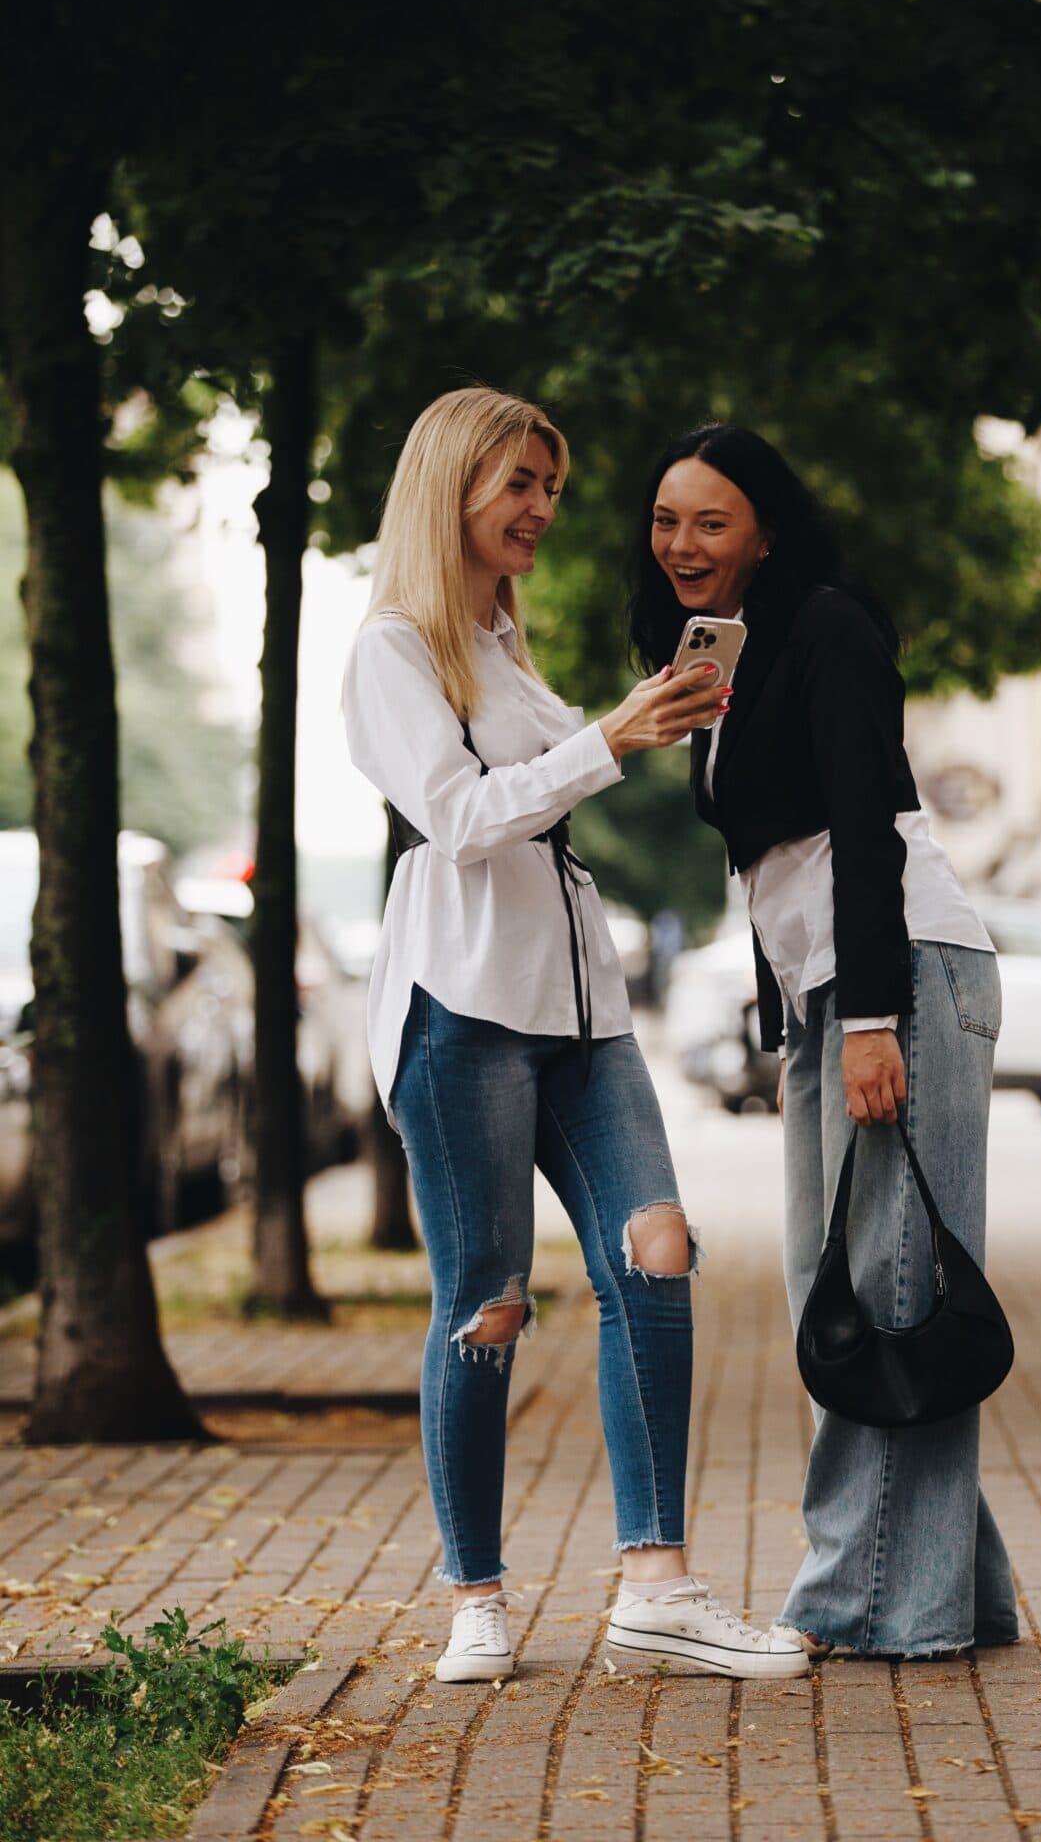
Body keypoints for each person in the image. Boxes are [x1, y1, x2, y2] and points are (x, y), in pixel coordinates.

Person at [342, 388, 810, 1683]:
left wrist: (648, 716)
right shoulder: (392, 649)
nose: (543, 510)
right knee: (487, 1303)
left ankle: (656, 1584)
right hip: (463, 1002)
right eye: (521, 485)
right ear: (453, 489)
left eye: (551, 486)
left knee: (656, 1246)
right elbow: (458, 816)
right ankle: (475, 1596)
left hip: (583, 1005)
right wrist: (607, 738)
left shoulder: (507, 647)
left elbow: (556, 776)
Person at [627, 424, 1019, 1660]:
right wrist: (795, 1012)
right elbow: (760, 861)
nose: (683, 544)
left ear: (766, 530)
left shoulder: (830, 626)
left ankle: (864, 1602)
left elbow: (861, 825)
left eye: (711, 521)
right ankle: (957, 1587)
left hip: (898, 980)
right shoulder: (724, 659)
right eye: (666, 520)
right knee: (839, 1293)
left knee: (890, 1296)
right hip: (828, 996)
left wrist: (862, 1017)